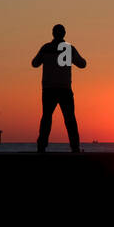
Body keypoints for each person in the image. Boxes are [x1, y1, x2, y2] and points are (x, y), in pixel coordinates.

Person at [32, 24, 87, 152]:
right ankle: (75, 147)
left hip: (48, 89)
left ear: (53, 33)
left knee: (46, 118)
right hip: (64, 89)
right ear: (64, 34)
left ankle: (41, 146)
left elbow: (35, 63)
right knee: (70, 119)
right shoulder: (69, 49)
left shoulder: (46, 48)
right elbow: (82, 64)